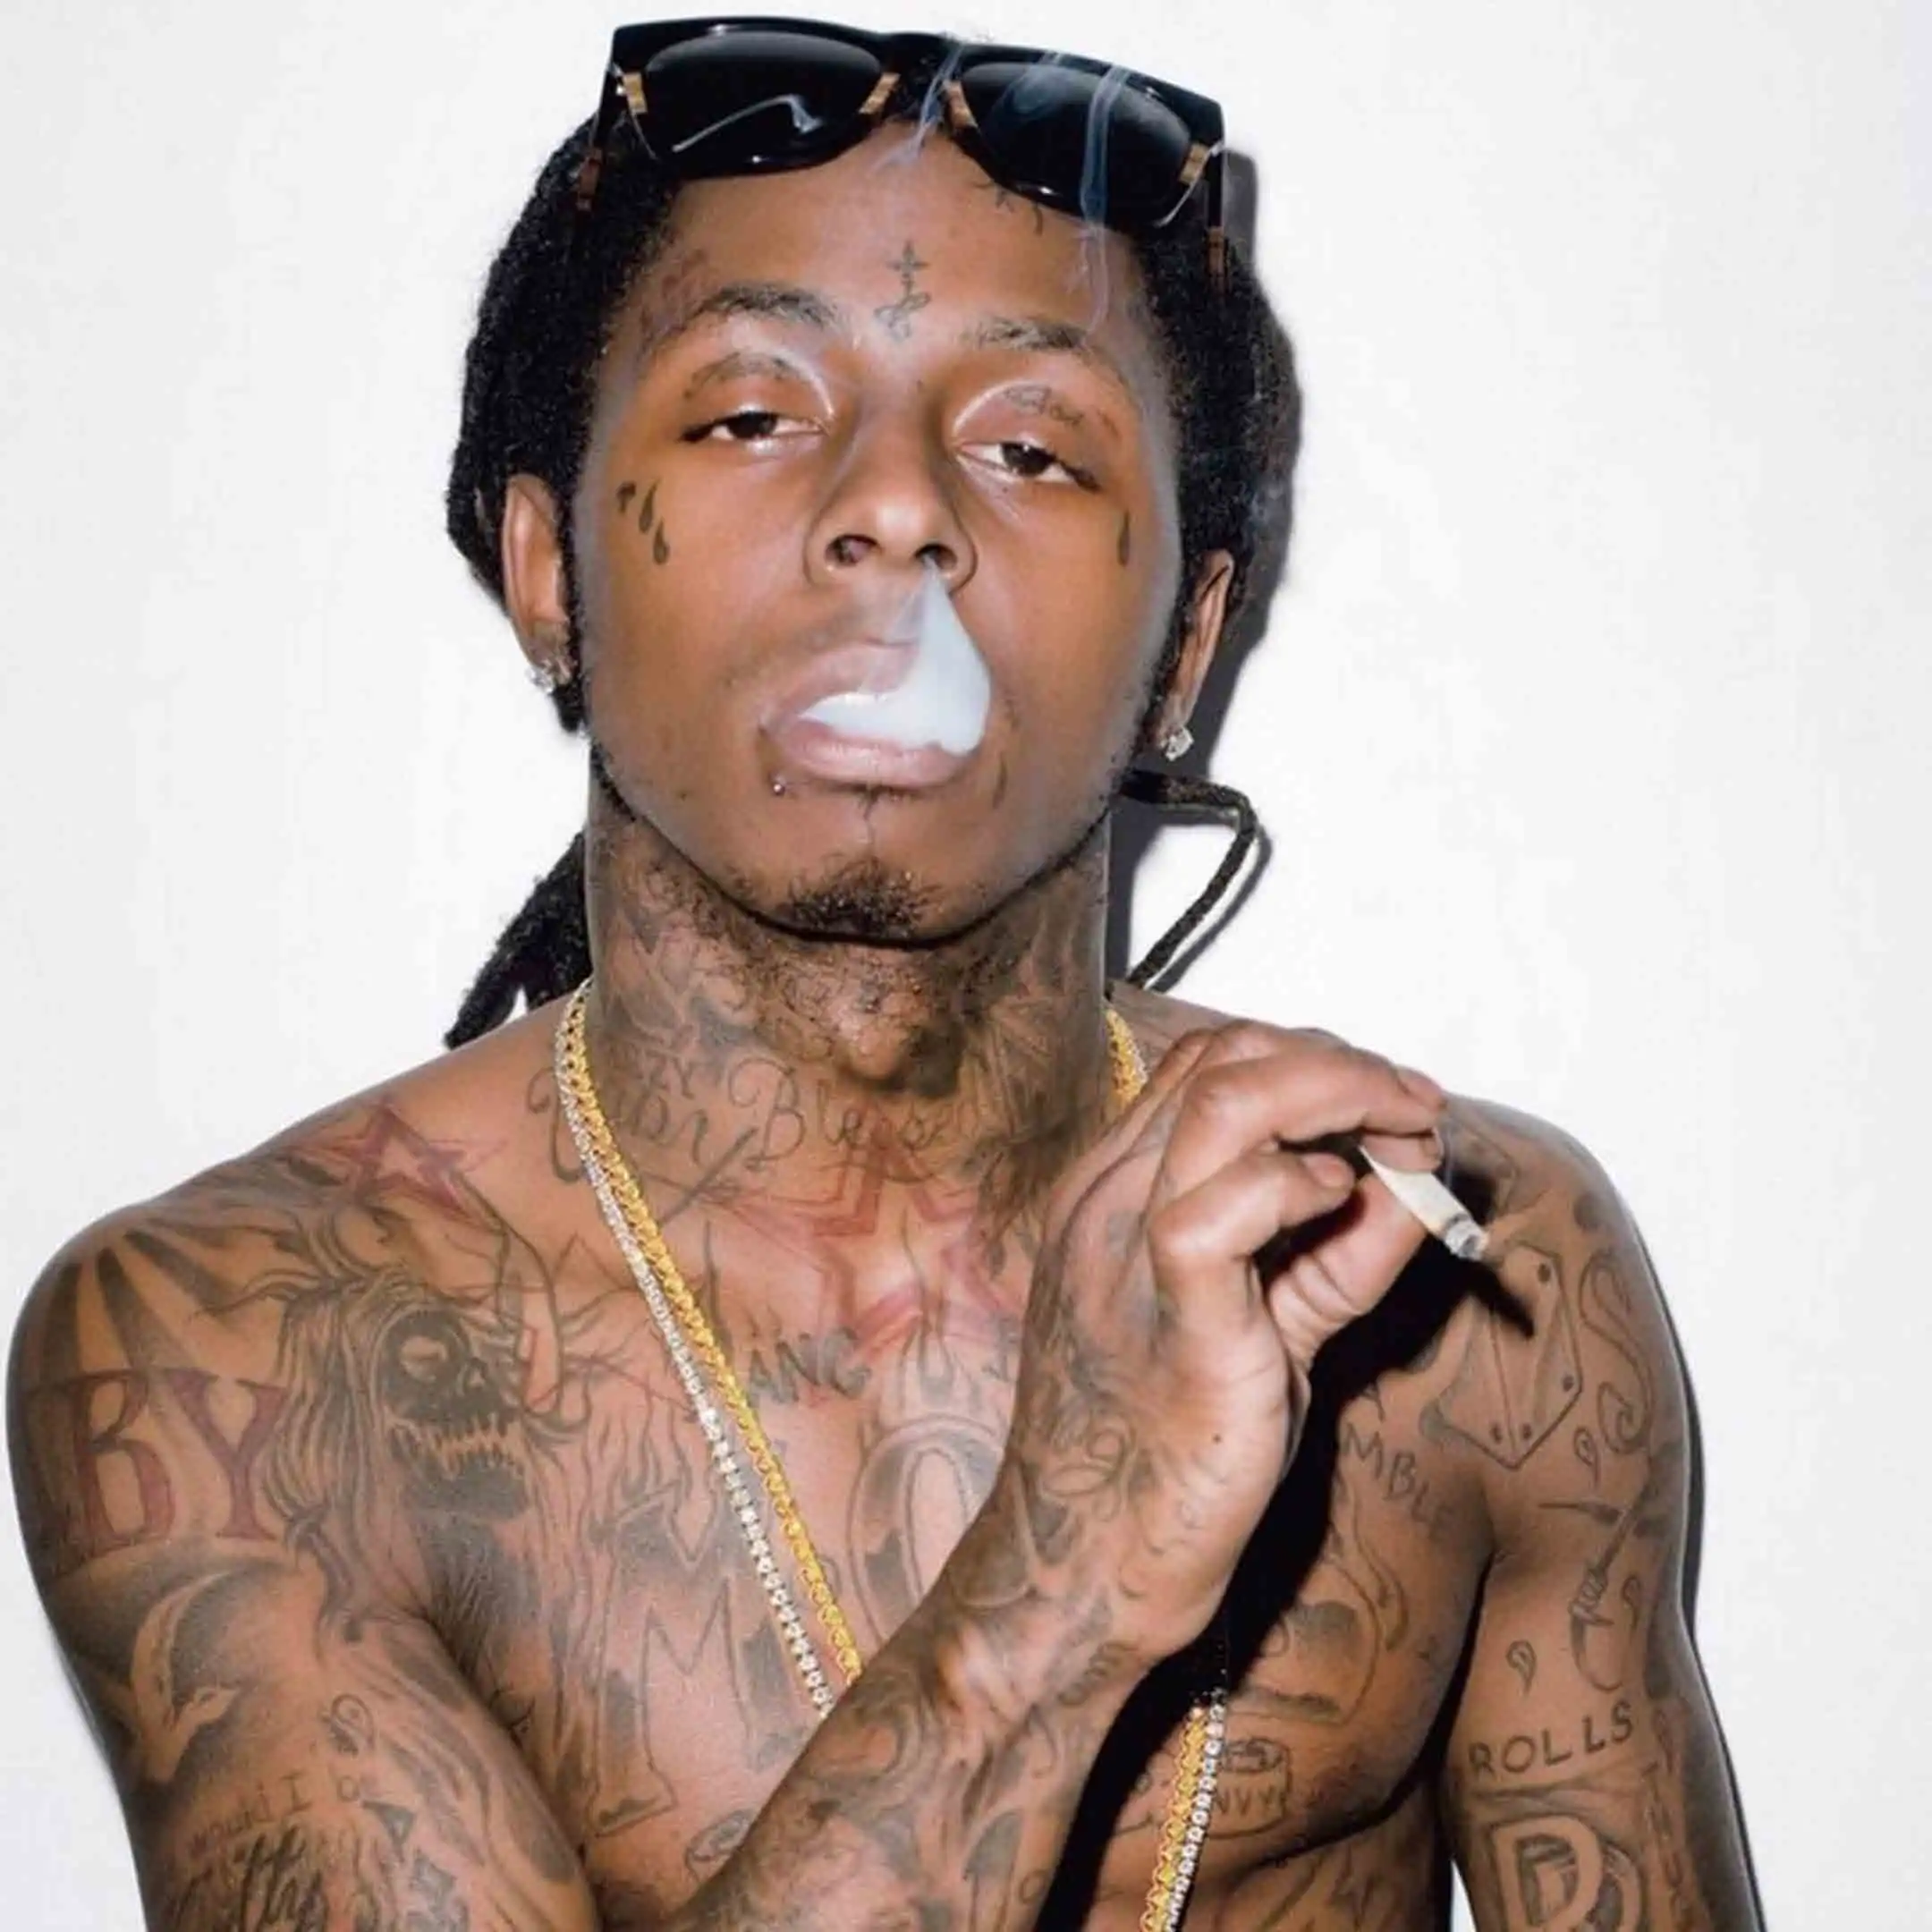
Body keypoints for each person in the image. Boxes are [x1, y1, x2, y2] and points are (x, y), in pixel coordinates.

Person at [7, 21, 1760, 1928]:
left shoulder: (1480, 1283)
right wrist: (1066, 1581)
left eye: (1031, 448)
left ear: (1186, 647)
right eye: (754, 415)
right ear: (545, 567)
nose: (899, 508)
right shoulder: (244, 1353)